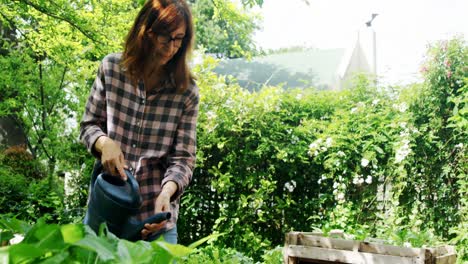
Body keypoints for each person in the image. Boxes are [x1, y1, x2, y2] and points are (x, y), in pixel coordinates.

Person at [79, 0, 198, 244]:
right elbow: (88, 125)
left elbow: (183, 159)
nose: (171, 47)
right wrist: (105, 143)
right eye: (165, 37)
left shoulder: (186, 92)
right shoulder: (112, 69)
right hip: (107, 210)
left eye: (179, 39)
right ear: (146, 31)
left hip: (155, 221)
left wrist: (167, 192)